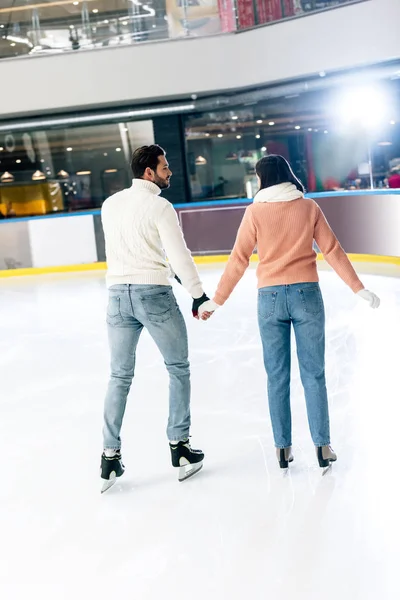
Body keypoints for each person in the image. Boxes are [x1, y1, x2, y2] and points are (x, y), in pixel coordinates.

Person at [199, 155, 380, 470]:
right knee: (314, 374)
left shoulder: (255, 211)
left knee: (277, 377)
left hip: (269, 299)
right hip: (306, 294)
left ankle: (283, 449)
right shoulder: (308, 207)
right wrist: (357, 287)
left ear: (263, 179)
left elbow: (238, 259)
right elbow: (332, 250)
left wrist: (217, 300)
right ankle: (323, 447)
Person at [100, 145, 208, 492]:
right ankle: (180, 449)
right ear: (149, 172)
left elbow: (127, 249)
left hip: (117, 296)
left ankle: (109, 455)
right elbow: (178, 254)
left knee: (119, 376)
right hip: (153, 295)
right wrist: (197, 293)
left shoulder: (110, 205)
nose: (169, 172)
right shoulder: (160, 206)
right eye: (164, 167)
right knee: (178, 368)